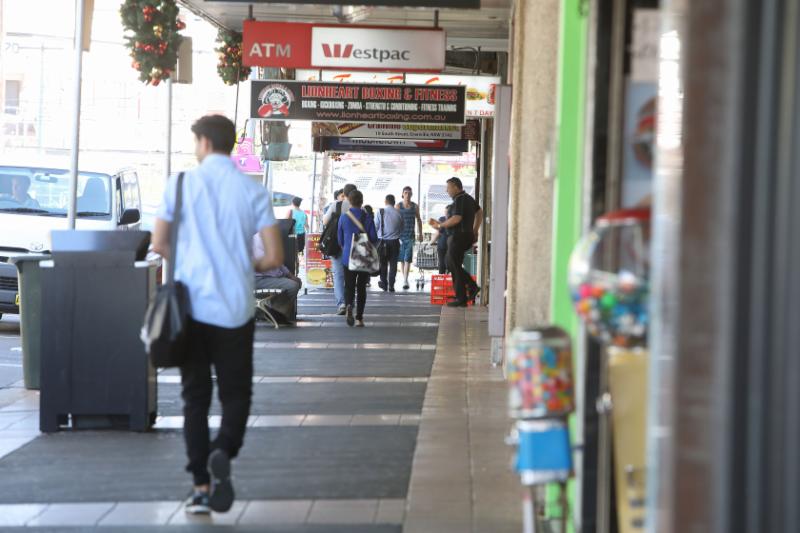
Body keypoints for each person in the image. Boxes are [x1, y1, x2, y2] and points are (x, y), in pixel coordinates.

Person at [152, 115, 283, 515]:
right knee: (236, 393)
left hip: (191, 308)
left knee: (195, 397)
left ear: (205, 143)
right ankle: (223, 447)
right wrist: (242, 265)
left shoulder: (179, 185)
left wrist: (192, 261)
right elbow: (274, 257)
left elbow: (159, 243)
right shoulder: (253, 191)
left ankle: (200, 487)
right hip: (235, 308)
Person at [429, 177, 482, 307]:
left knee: (451, 263)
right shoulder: (468, 199)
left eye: (448, 187)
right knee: (453, 264)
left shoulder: (460, 199)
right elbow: (479, 212)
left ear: (456, 187)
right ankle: (463, 295)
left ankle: (469, 289)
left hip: (459, 236)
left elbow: (456, 219)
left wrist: (440, 225)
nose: (447, 190)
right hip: (465, 236)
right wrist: (475, 230)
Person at [337, 189, 378, 327]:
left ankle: (349, 304)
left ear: (349, 201)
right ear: (362, 201)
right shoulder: (367, 218)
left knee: (348, 286)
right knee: (361, 288)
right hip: (363, 257)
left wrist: (347, 247)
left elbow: (340, 239)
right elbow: (374, 238)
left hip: (348, 257)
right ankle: (359, 318)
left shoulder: (343, 217)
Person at [323, 184, 357, 315]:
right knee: (351, 275)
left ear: (344, 194)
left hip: (337, 245)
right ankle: (350, 302)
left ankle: (341, 303)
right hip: (354, 245)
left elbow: (325, 222)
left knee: (338, 275)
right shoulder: (360, 207)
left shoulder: (336, 205)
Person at [253, 234, 302, 324]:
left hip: (268, 278)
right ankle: (275, 313)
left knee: (295, 283)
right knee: (292, 286)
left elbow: (279, 264)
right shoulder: (259, 240)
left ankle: (273, 312)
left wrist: (291, 276)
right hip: (258, 279)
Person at [375, 194, 403, 292]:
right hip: (395, 242)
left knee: (383, 263)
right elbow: (401, 228)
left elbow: (376, 226)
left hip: (383, 242)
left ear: (385, 201)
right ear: (394, 202)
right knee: (393, 264)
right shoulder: (399, 213)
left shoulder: (380, 211)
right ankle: (391, 285)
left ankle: (384, 283)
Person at [396, 186, 423, 290]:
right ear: (402, 194)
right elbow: (395, 220)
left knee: (408, 258)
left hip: (410, 236)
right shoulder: (398, 206)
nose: (407, 195)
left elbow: (419, 220)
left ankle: (405, 280)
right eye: (406, 193)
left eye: (409, 193)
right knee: (402, 259)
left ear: (411, 195)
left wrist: (420, 233)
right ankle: (405, 279)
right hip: (400, 236)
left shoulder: (415, 206)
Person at [431, 204, 453, 275]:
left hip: (448, 245)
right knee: (444, 262)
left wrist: (431, 242)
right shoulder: (443, 219)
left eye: (447, 213)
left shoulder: (450, 220)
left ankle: (443, 276)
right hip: (443, 245)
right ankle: (444, 277)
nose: (446, 214)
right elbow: (438, 230)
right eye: (445, 212)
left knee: (444, 263)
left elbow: (438, 232)